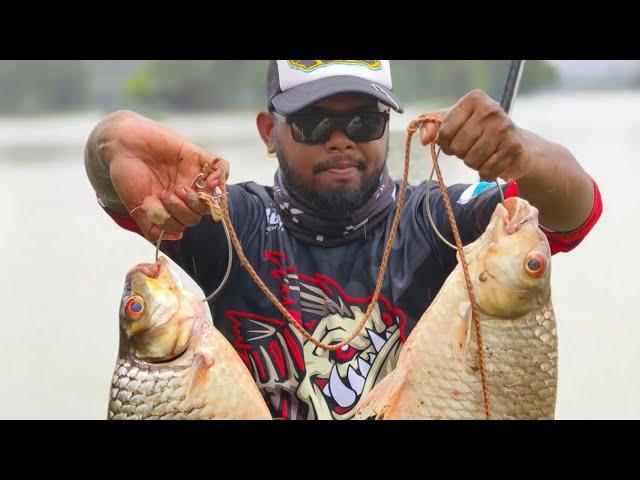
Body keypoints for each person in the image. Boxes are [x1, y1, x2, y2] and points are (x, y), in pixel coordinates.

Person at [85, 60, 602, 420]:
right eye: (312, 123)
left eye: (365, 120)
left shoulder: (439, 218)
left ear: (388, 126)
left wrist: (523, 156)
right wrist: (109, 140)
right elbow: (117, 194)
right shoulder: (230, 224)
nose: (341, 138)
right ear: (269, 131)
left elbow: (574, 209)